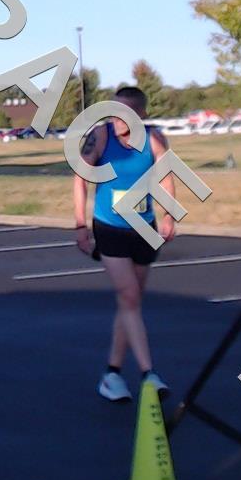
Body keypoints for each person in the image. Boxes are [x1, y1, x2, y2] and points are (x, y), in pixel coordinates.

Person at [72, 85, 178, 403]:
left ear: (141, 114)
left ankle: (112, 374)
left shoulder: (154, 139)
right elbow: (80, 179)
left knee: (130, 303)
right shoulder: (101, 137)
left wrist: (169, 215)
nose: (118, 119)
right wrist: (80, 225)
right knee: (129, 296)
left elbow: (166, 176)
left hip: (143, 227)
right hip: (109, 226)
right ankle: (149, 374)